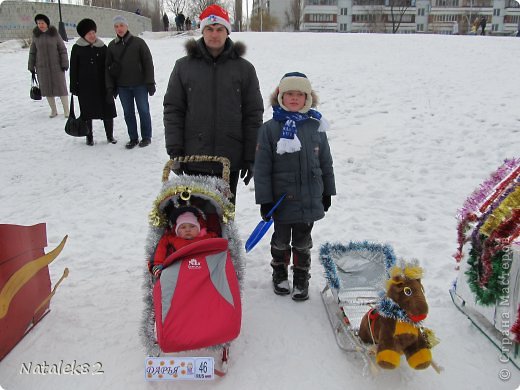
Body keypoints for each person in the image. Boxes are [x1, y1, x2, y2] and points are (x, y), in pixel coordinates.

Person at [163, 4, 263, 203]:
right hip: (193, 159)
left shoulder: (244, 69)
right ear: (202, 31)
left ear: (227, 32)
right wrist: (175, 152)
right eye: (209, 29)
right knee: (193, 220)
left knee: (224, 219)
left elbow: (253, 114)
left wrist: (251, 155)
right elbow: (173, 109)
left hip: (228, 161)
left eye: (219, 29)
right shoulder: (183, 67)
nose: (214, 34)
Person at [254, 72, 336, 301]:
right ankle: (279, 271)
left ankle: (301, 277)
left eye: (299, 94)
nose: (294, 98)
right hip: (281, 199)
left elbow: (326, 162)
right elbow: (261, 168)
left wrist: (328, 191)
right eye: (289, 93)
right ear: (280, 96)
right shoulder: (269, 129)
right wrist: (265, 199)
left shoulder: (315, 126)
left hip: (309, 197)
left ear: (307, 98)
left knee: (302, 242)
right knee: (280, 240)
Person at [106, 15, 155, 149]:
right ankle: (133, 138)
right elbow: (108, 68)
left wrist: (150, 82)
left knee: (143, 110)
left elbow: (148, 63)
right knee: (128, 113)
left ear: (127, 26)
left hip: (140, 84)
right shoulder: (111, 46)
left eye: (121, 25)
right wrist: (110, 87)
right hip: (122, 87)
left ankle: (146, 137)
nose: (119, 28)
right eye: (116, 26)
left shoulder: (139, 43)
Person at [70, 18, 117, 146]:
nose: (92, 36)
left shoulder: (102, 47)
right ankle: (89, 136)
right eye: (89, 34)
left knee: (107, 111)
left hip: (103, 85)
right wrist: (74, 86)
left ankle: (110, 135)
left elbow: (109, 66)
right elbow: (73, 69)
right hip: (85, 87)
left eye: (93, 32)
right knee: (87, 113)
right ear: (83, 35)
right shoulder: (77, 48)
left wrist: (112, 84)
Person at [149, 209, 218, 277]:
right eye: (183, 227)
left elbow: (218, 248)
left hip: (204, 269)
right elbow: (160, 250)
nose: (188, 230)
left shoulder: (208, 238)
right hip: (179, 271)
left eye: (192, 226)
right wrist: (157, 264)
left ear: (199, 229)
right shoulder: (172, 240)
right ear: (177, 231)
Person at [28, 14, 69, 118]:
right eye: (38, 23)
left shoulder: (54, 34)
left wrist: (64, 63)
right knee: (47, 89)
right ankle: (53, 110)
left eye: (42, 23)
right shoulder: (36, 35)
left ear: (47, 23)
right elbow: (32, 51)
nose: (40, 25)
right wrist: (31, 65)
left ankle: (66, 111)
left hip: (57, 67)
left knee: (61, 89)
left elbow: (62, 49)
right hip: (42, 67)